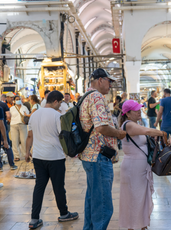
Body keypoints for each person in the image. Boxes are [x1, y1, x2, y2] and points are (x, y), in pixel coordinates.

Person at [79, 68, 126, 230]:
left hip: (89, 155)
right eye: (109, 81)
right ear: (100, 80)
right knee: (104, 205)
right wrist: (119, 134)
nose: (110, 85)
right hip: (98, 156)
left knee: (93, 199)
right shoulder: (97, 97)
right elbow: (101, 127)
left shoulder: (85, 96)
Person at [25, 91, 79, 229]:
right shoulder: (58, 116)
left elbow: (30, 136)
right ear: (55, 101)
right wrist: (70, 152)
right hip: (55, 157)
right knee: (58, 187)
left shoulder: (34, 115)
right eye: (60, 102)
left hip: (38, 157)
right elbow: (63, 136)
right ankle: (64, 213)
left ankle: (34, 219)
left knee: (39, 187)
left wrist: (27, 152)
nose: (60, 105)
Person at [119, 100, 166, 230]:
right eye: (136, 110)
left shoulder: (134, 123)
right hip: (132, 168)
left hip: (140, 167)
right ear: (127, 114)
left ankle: (141, 225)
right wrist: (163, 133)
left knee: (140, 197)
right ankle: (133, 226)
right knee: (134, 198)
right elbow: (147, 131)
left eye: (139, 109)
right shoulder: (128, 125)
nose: (139, 111)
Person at [0, 91, 17, 171]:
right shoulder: (3, 105)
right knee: (7, 145)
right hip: (3, 127)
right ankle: (12, 164)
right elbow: (8, 116)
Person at [10, 95, 29, 161]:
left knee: (24, 140)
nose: (18, 100)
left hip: (22, 125)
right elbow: (9, 117)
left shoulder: (25, 108)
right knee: (15, 141)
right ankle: (16, 156)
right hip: (14, 125)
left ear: (21, 100)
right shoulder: (12, 108)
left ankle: (25, 154)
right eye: (17, 99)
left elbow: (27, 116)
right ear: (14, 101)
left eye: (19, 99)